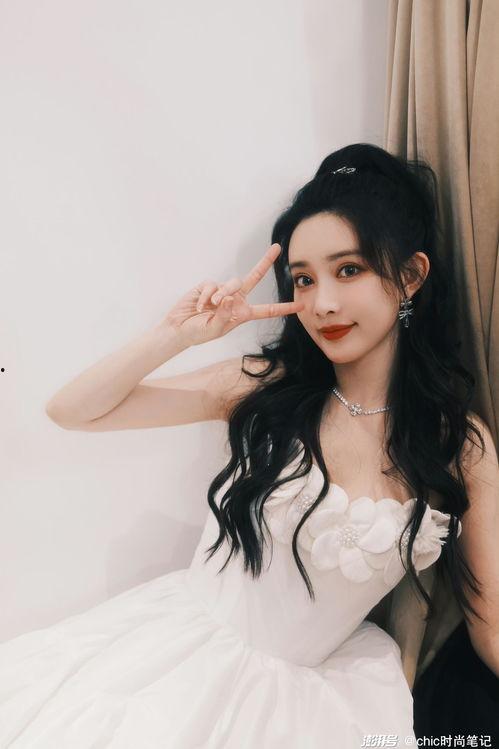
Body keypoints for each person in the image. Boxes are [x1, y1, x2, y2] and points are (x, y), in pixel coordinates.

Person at [1, 143, 498, 748]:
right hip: (181, 667)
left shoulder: (458, 443)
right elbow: (73, 411)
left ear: (411, 275)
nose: (323, 304)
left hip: (326, 705)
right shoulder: (265, 386)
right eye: (304, 279)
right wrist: (176, 335)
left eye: (349, 270)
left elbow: (491, 625)